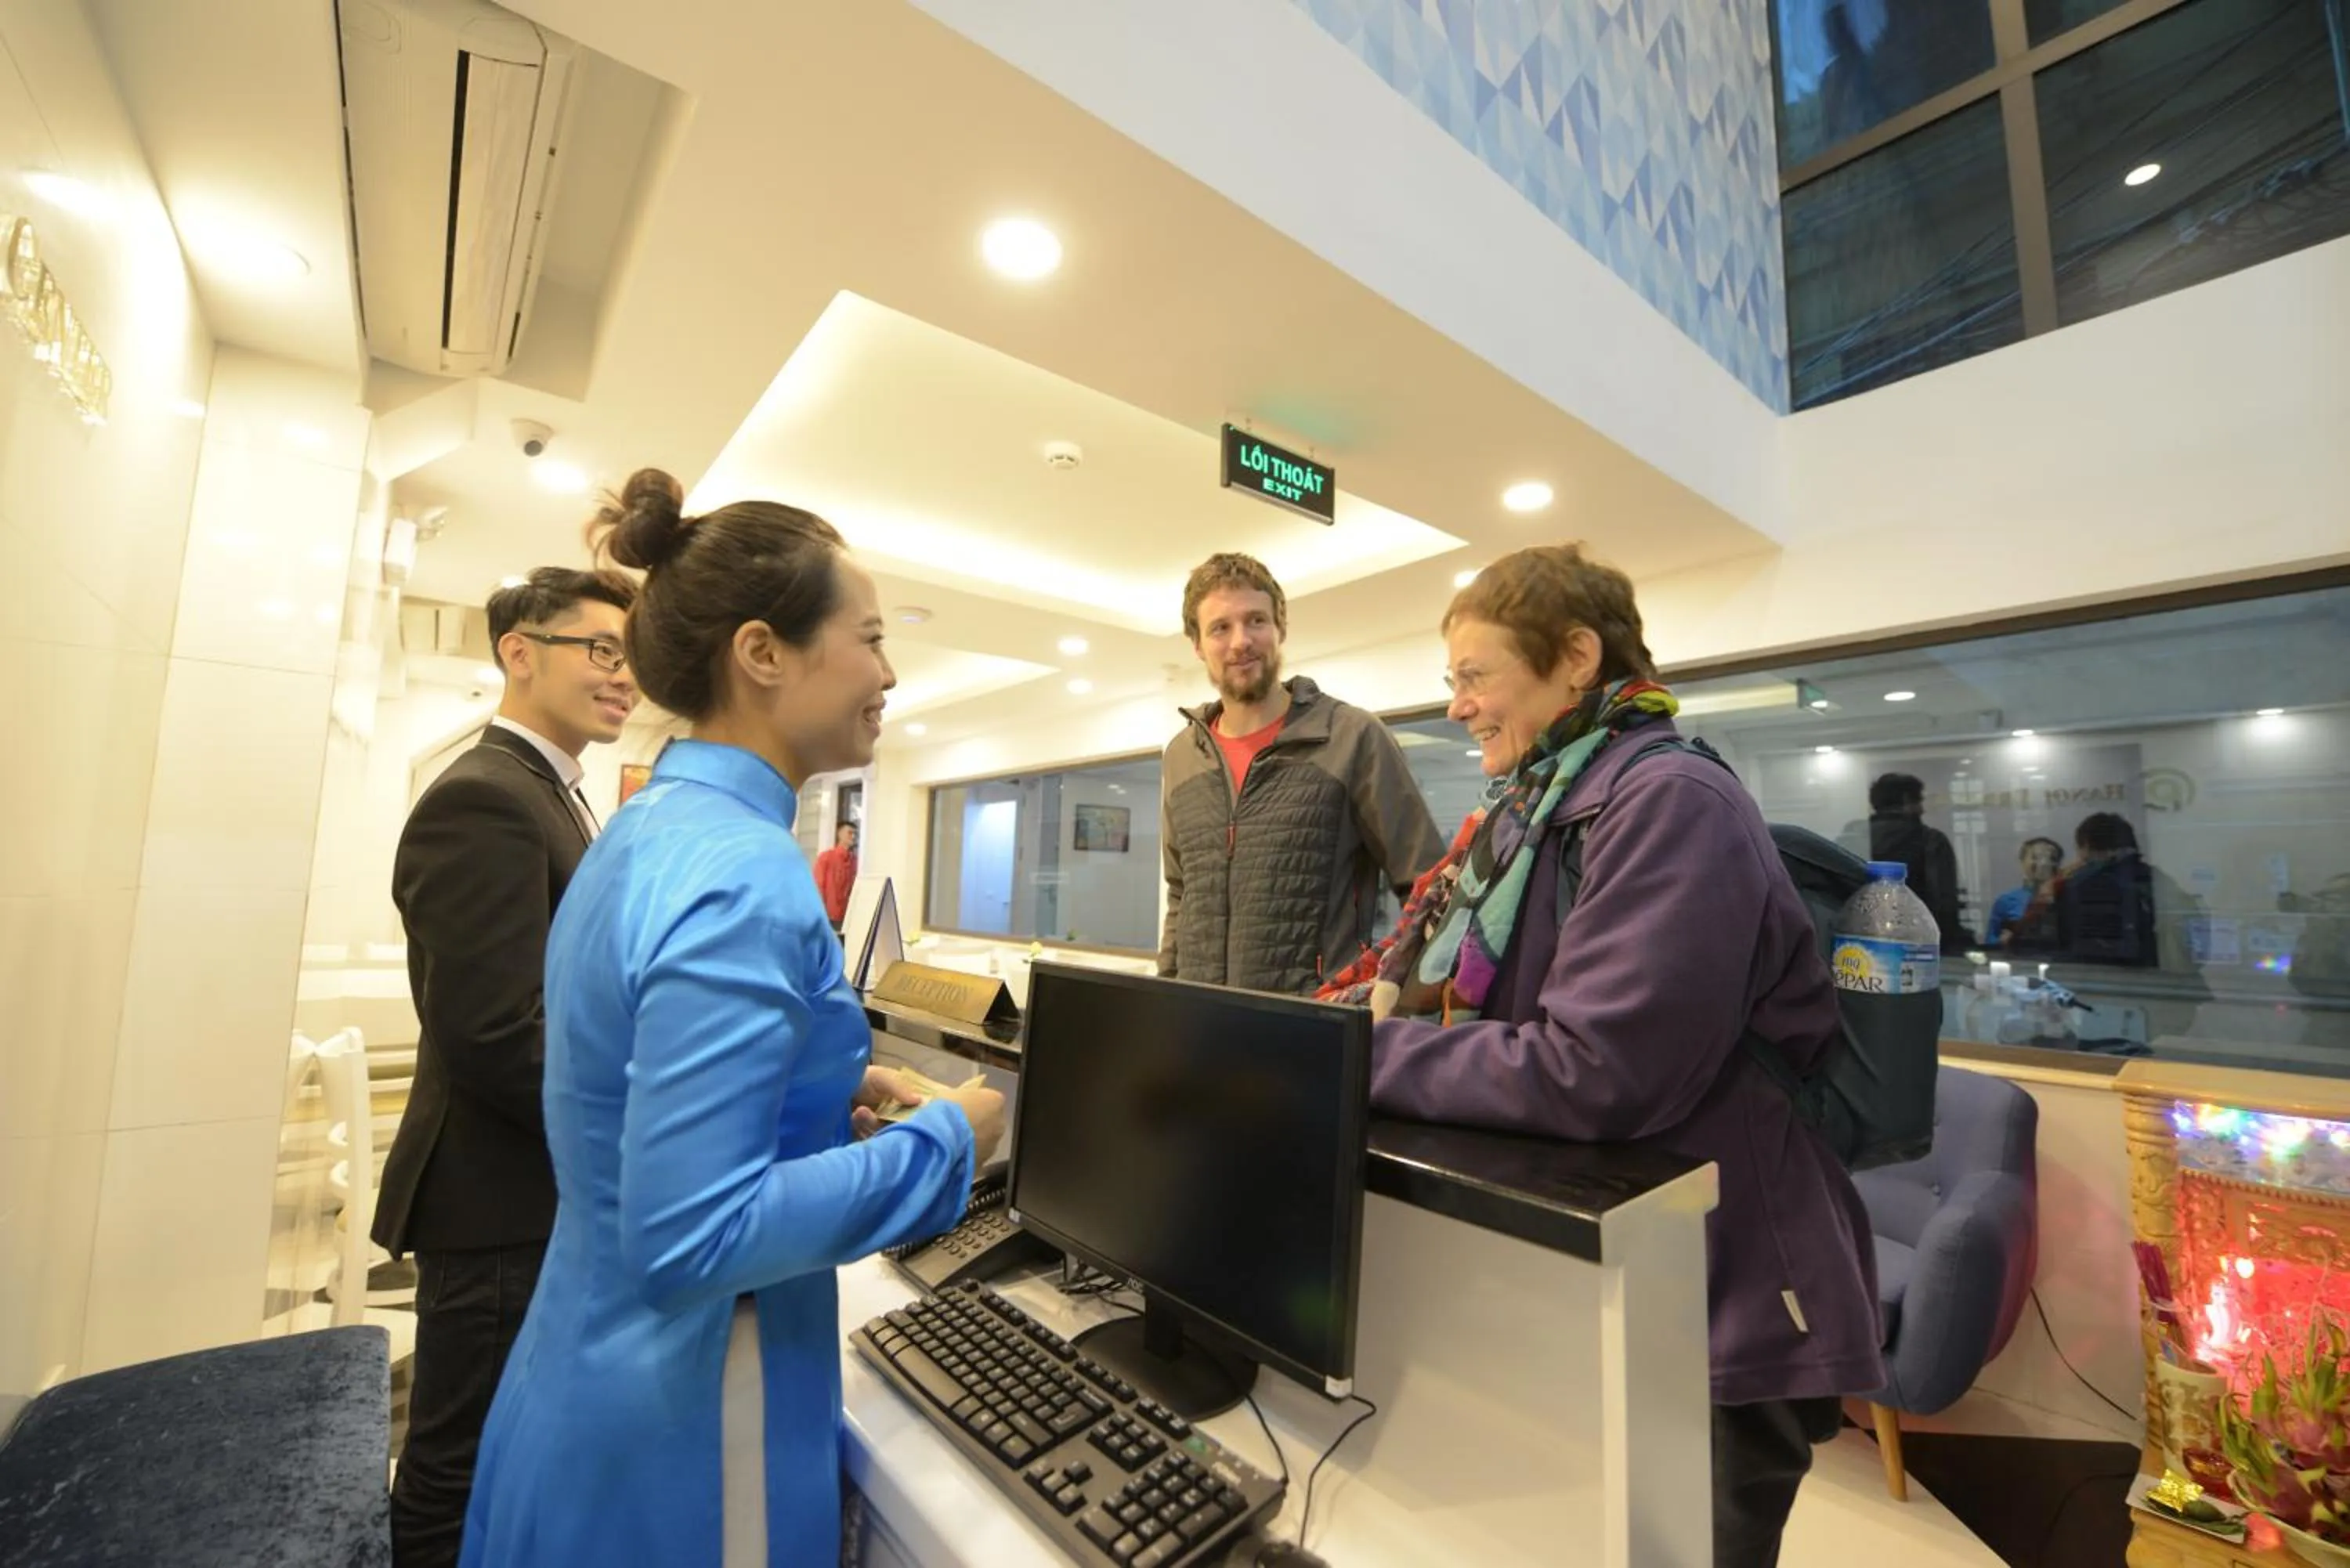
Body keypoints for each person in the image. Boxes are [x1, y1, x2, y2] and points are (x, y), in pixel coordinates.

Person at [459, 470, 1005, 1568]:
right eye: (870, 638)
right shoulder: (744, 875)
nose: (891, 671)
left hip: (586, 1364)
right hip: (695, 1413)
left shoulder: (651, 825)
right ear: (762, 652)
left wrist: (820, 1087)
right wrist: (950, 1136)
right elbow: (694, 1231)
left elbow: (636, 1075)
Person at [1322, 544, 1882, 1568]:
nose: (1455, 705)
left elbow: (1597, 1067)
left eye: (1473, 675)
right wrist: (1346, 1016)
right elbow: (1457, 990)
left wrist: (1358, 1055)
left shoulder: (1670, 803)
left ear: (1575, 657)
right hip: (1612, 1271)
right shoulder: (1535, 811)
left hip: (1717, 1291)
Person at [374, 565, 638, 1568]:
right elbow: (497, 1035)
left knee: (511, 1442)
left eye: (633, 659)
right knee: (460, 1454)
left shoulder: (553, 791)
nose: (624, 676)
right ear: (518, 653)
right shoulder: (485, 797)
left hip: (533, 1185)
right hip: (495, 1196)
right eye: (602, 651)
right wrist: (636, 1136)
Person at [1159, 551, 1444, 993]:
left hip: (1316, 1029)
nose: (1240, 642)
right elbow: (1181, 893)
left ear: (1281, 628)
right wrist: (1164, 996)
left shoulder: (1352, 737)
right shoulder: (1182, 754)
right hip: (1200, 1028)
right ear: (1197, 644)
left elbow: (1425, 889)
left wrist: (1387, 997)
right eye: (1220, 627)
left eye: (1256, 621)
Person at [1867, 772, 1969, 954]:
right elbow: (1944, 902)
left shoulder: (1853, 838)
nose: (1923, 809)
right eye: (1919, 801)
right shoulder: (1930, 840)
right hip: (1919, 946)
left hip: (1862, 943)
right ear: (1907, 800)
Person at [1983, 836, 2064, 947]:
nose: (2044, 863)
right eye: (2036, 857)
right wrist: (2003, 942)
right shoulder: (2006, 901)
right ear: (2022, 862)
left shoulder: (2068, 897)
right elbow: (1991, 941)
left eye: (2052, 859)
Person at [815, 820, 859, 935]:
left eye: (855, 834)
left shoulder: (855, 861)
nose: (853, 837)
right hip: (828, 917)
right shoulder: (826, 858)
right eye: (850, 833)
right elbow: (818, 886)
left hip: (848, 917)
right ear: (840, 834)